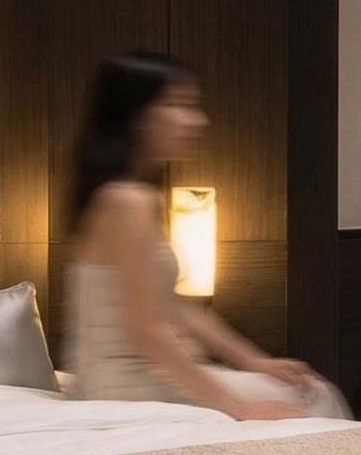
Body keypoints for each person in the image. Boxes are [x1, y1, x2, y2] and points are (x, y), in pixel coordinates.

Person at [65, 51, 349, 420]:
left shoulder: (126, 195)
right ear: (136, 115)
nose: (197, 120)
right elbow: (147, 333)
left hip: (123, 378)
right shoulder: (128, 201)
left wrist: (255, 361)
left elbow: (174, 307)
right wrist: (239, 408)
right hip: (125, 386)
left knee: (303, 388)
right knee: (314, 396)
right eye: (178, 105)